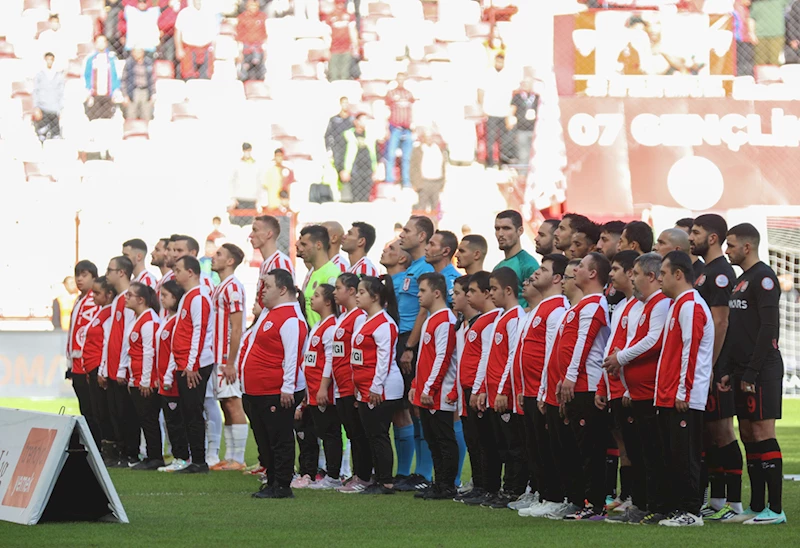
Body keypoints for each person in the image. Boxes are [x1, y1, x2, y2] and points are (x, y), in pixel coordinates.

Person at [719, 223, 786, 525]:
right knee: (747, 435)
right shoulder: (741, 280)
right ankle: (757, 506)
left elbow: (768, 328)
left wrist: (752, 370)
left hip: (761, 369)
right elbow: (735, 330)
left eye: (730, 245)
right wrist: (727, 369)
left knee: (762, 433)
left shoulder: (764, 278)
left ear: (746, 247)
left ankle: (776, 509)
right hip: (740, 370)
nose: (727, 250)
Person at [603, 252, 671, 524]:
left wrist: (621, 357)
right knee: (640, 452)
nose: (632, 277)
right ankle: (642, 504)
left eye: (636, 273)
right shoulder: (642, 306)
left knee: (653, 454)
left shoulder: (661, 304)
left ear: (651, 277)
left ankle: (657, 505)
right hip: (636, 391)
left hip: (652, 392)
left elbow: (655, 341)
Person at [654, 251, 714, 527]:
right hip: (670, 395)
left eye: (663, 274)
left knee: (687, 456)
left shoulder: (691, 305)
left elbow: (690, 352)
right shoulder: (678, 304)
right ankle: (679, 508)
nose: (659, 279)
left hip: (685, 397)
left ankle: (692, 512)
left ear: (678, 275)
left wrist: (683, 391)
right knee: (673, 456)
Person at [688, 214, 742, 520]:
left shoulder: (720, 273)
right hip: (707, 365)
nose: (691, 237)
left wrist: (709, 364)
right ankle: (718, 502)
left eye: (696, 232)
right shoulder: (704, 272)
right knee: (710, 433)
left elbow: (720, 321)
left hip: (717, 367)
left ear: (712, 238)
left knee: (723, 432)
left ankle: (735, 504)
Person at [241, 269, 308, 498]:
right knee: (265, 440)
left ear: (282, 289)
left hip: (274, 391)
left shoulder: (290, 318)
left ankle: (281, 485)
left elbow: (293, 356)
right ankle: (271, 481)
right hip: (257, 390)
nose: (262, 290)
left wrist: (287, 388)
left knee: (279, 439)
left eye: (267, 286)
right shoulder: (272, 313)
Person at [556, 253, 611, 520]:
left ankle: (595, 504)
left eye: (580, 266)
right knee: (578, 448)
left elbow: (584, 343)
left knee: (591, 449)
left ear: (592, 274)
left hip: (587, 384)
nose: (575, 270)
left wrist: (570, 376)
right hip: (575, 383)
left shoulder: (595, 304)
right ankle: (581, 500)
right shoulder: (580, 305)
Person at [514, 255, 570, 517]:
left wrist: (544, 390)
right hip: (530, 389)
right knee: (534, 446)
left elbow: (553, 353)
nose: (535, 273)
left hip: (542, 390)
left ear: (557, 278)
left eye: (543, 270)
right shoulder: (539, 307)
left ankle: (555, 495)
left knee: (548, 447)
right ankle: (543, 493)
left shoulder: (557, 308)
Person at [464, 267, 524, 509]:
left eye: (495, 289)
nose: (491, 293)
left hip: (504, 395)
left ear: (508, 290)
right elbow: (487, 357)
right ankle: (498, 488)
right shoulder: (499, 318)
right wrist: (480, 389)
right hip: (492, 393)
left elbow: (512, 357)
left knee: (513, 446)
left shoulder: (516, 317)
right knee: (499, 444)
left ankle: (513, 490)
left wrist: (502, 391)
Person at [594, 251, 641, 518]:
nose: (610, 275)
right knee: (623, 444)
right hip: (614, 385)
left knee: (636, 445)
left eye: (615, 269)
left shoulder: (641, 306)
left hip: (629, 387)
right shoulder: (621, 305)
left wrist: (628, 387)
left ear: (630, 273)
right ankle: (627, 495)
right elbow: (611, 347)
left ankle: (637, 496)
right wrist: (603, 386)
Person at [395, 216, 436, 491]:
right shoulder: (410, 268)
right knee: (407, 405)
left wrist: (410, 346)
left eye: (407, 231)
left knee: (420, 406)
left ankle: (424, 473)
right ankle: (409, 473)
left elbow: (425, 309)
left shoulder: (427, 269)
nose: (402, 235)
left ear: (421, 236)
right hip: (403, 339)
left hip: (415, 340)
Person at [351, 276, 403, 494]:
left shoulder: (384, 323)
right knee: (371, 434)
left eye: (362, 292)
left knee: (379, 434)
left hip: (382, 388)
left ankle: (386, 481)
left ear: (375, 297)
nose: (357, 296)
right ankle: (377, 477)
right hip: (365, 387)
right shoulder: (364, 320)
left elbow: (384, 359)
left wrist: (375, 387)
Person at [409, 273, 459, 500]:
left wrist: (430, 388)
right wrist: (415, 385)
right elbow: (423, 360)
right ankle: (439, 483)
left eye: (422, 291)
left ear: (436, 293)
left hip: (438, 393)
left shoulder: (446, 320)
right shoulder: (431, 319)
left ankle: (447, 485)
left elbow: (443, 358)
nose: (418, 295)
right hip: (427, 391)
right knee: (432, 439)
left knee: (443, 439)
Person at [164, 255, 214, 474]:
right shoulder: (189, 296)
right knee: (188, 411)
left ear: (191, 272)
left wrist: (192, 365)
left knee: (193, 411)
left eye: (178, 270)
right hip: (186, 362)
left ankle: (200, 461)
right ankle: (193, 458)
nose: (175, 274)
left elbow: (199, 332)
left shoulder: (199, 297)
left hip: (194, 364)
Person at [453, 271, 500, 503]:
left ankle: (489, 487)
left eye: (472, 291)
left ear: (486, 293)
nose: (468, 295)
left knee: (486, 442)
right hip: (469, 388)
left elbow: (486, 357)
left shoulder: (492, 321)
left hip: (479, 389)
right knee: (475, 440)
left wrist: (480, 388)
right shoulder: (479, 321)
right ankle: (480, 484)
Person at [331, 273, 373, 493]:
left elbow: (357, 351)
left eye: (338, 288)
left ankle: (364, 475)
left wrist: (356, 381)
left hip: (351, 383)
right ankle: (359, 473)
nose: (334, 292)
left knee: (358, 433)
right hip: (340, 384)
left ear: (351, 291)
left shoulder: (358, 316)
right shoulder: (343, 317)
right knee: (352, 432)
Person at [209, 243, 249, 471]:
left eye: (219, 254)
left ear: (230, 261)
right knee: (226, 404)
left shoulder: (233, 287)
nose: (214, 257)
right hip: (220, 357)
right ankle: (231, 456)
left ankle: (239, 458)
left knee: (233, 403)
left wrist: (231, 361)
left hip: (227, 358)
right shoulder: (221, 286)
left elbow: (236, 327)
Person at [98, 256, 139, 467]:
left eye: (110, 269)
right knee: (116, 413)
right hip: (113, 367)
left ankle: (131, 453)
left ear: (121, 272)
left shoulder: (129, 299)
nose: (107, 273)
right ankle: (122, 452)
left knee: (126, 413)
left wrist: (123, 366)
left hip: (123, 368)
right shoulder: (117, 300)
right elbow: (110, 336)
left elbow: (127, 337)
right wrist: (105, 367)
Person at [303, 284, 344, 489]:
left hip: (323, 391)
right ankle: (323, 472)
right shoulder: (318, 326)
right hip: (312, 390)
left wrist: (322, 388)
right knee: (321, 432)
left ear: (328, 302)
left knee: (330, 433)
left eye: (317, 295)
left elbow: (330, 360)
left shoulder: (331, 327)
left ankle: (334, 475)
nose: (312, 298)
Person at [119, 282, 163, 470]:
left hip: (146, 379)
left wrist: (146, 380)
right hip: (136, 377)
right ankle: (150, 455)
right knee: (144, 418)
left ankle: (155, 456)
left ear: (141, 299)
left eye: (130, 295)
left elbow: (149, 353)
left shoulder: (149, 321)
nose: (125, 298)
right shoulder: (138, 319)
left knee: (149, 418)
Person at [155, 280, 191, 473]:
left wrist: (168, 376)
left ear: (176, 298)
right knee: (170, 420)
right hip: (163, 379)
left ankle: (182, 456)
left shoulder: (177, 321)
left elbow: (173, 351)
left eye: (166, 295)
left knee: (176, 420)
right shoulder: (166, 319)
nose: (162, 299)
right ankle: (178, 455)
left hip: (172, 381)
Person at [66, 260, 100, 446]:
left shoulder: (93, 300)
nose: (79, 279)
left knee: (93, 409)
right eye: (77, 274)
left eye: (84, 275)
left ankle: (99, 445)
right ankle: (92, 444)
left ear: (94, 277)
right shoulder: (79, 300)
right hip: (77, 364)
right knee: (86, 408)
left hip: (87, 364)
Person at [83, 276, 117, 463]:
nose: (93, 296)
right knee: (97, 411)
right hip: (92, 368)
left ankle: (111, 451)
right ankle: (106, 450)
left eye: (97, 293)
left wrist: (100, 370)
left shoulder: (110, 313)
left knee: (104, 411)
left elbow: (106, 343)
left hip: (99, 367)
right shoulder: (100, 312)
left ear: (109, 294)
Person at [493, 210, 540, 307]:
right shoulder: (497, 267)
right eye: (497, 229)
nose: (500, 234)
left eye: (506, 228)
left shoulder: (528, 264)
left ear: (520, 231)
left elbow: (537, 304)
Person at [298, 225, 342, 326]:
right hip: (313, 336)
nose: (300, 249)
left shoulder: (331, 274)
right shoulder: (313, 272)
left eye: (304, 245)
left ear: (318, 245)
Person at [250, 215, 294, 315]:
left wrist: (262, 312)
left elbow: (286, 302)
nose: (251, 235)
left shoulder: (280, 262)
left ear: (269, 234)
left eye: (255, 230)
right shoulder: (265, 264)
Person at [478, 53, 515, 168]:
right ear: (495, 61)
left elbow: (513, 94)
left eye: (501, 62)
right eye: (497, 61)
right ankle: (490, 162)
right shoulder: (488, 74)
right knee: (491, 138)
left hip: (504, 112)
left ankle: (502, 162)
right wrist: (482, 107)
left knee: (504, 139)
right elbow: (481, 91)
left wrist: (510, 113)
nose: (499, 64)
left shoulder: (508, 75)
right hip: (491, 111)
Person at [384, 73, 415, 188]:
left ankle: (406, 181)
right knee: (391, 155)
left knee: (407, 157)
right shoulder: (391, 94)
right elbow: (385, 110)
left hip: (407, 129)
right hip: (395, 128)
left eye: (403, 79)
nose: (401, 81)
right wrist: (386, 128)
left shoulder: (408, 94)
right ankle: (389, 179)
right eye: (399, 79)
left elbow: (413, 110)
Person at [175, 0, 217, 80]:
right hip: (189, 50)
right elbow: (178, 32)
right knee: (189, 77)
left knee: (206, 77)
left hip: (205, 49)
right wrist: (179, 49)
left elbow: (214, 34)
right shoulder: (184, 13)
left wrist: (214, 50)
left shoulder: (209, 13)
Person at [341, 113, 378, 202]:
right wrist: (343, 169)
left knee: (366, 196)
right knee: (356, 196)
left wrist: (376, 169)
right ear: (356, 122)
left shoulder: (370, 135)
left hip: (368, 169)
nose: (365, 123)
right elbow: (341, 152)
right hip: (355, 169)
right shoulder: (348, 134)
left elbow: (376, 153)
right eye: (362, 120)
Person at [83, 35, 121, 121]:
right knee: (94, 119)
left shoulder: (112, 59)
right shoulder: (90, 59)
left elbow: (116, 76)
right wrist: (88, 90)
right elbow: (86, 76)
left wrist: (115, 90)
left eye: (103, 42)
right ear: (95, 44)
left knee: (107, 120)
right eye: (98, 42)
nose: (100, 44)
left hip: (108, 95)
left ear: (106, 43)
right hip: (95, 94)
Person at [229, 142, 265, 225]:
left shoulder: (256, 165)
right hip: (240, 199)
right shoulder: (237, 165)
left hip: (252, 199)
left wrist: (259, 200)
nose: (247, 153)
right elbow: (231, 182)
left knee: (251, 224)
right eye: (245, 150)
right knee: (238, 224)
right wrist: (233, 198)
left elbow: (259, 183)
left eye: (248, 150)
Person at [410, 131, 447, 213]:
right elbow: (413, 167)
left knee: (435, 208)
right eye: (427, 137)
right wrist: (415, 183)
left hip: (436, 182)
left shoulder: (438, 149)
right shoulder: (418, 150)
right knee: (421, 208)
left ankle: (434, 224)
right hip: (424, 182)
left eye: (431, 137)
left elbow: (443, 166)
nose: (429, 139)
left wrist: (442, 183)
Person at [33, 52, 65, 142]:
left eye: (51, 59)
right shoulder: (40, 75)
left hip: (54, 108)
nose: (49, 62)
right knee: (42, 134)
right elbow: (35, 91)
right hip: (43, 108)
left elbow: (61, 93)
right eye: (47, 59)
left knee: (55, 136)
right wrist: (36, 107)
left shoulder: (58, 75)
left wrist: (61, 108)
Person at [508, 77, 539, 167]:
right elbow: (512, 109)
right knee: (523, 154)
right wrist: (509, 120)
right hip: (521, 129)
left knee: (535, 153)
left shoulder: (537, 97)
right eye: (523, 83)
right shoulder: (517, 96)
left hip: (535, 129)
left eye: (527, 83)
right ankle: (522, 175)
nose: (525, 85)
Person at [425, 230, 460, 306]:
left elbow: (456, 313)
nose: (426, 248)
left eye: (432, 244)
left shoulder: (451, 280)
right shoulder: (433, 276)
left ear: (446, 251)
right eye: (428, 243)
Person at [326, 0, 358, 81]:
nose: (340, 5)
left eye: (342, 3)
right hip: (334, 50)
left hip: (346, 49)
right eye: (338, 3)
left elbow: (352, 31)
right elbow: (327, 34)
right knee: (333, 75)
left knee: (345, 75)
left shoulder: (348, 16)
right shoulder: (330, 16)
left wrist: (355, 45)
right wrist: (327, 49)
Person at [121, 47, 155, 121]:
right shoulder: (129, 63)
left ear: (143, 52)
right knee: (131, 115)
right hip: (133, 91)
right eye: (135, 52)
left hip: (146, 91)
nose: (137, 54)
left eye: (139, 52)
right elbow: (124, 80)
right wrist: (125, 95)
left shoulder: (148, 63)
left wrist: (153, 94)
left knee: (146, 116)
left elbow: (152, 79)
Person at [236, 0, 267, 81]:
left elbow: (264, 34)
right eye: (251, 6)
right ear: (247, 6)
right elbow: (239, 35)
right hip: (246, 47)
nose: (253, 8)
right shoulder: (242, 18)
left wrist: (265, 48)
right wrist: (239, 51)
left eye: (255, 6)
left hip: (258, 47)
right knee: (245, 68)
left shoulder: (262, 17)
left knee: (259, 68)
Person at [325, 97, 354, 176]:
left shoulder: (352, 120)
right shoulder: (334, 119)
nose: (345, 105)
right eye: (343, 103)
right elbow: (328, 135)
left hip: (349, 148)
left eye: (347, 103)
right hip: (337, 148)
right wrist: (328, 149)